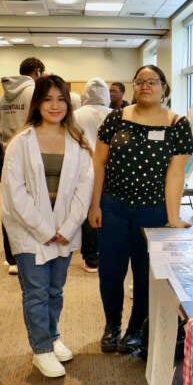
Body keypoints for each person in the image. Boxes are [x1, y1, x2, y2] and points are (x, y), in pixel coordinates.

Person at [89, 65, 193, 354]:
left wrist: (173, 218)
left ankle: (135, 329)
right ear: (134, 87)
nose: (145, 86)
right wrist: (95, 204)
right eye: (140, 81)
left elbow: (175, 174)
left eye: (152, 81)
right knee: (110, 271)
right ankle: (112, 325)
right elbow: (99, 162)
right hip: (113, 208)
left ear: (164, 87)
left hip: (153, 212)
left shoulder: (177, 125)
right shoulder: (116, 118)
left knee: (146, 274)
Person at [1, 75, 93, 378]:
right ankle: (40, 349)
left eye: (61, 99)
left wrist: (66, 227)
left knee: (56, 290)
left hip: (65, 230)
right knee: (37, 292)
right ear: (37, 103)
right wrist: (44, 230)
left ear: (69, 103)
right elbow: (15, 194)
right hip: (30, 231)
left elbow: (85, 187)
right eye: (48, 99)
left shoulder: (78, 141)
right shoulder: (21, 142)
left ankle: (53, 337)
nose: (55, 106)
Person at [0, 56, 45, 275]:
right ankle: (30, 253)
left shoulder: (2, 97)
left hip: (6, 154)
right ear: (38, 71)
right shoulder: (35, 92)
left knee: (10, 203)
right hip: (30, 155)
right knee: (33, 203)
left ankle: (11, 257)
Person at [74, 77, 112, 272]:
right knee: (107, 210)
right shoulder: (116, 114)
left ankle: (90, 259)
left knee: (89, 210)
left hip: (83, 168)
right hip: (110, 170)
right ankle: (106, 253)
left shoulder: (76, 115)